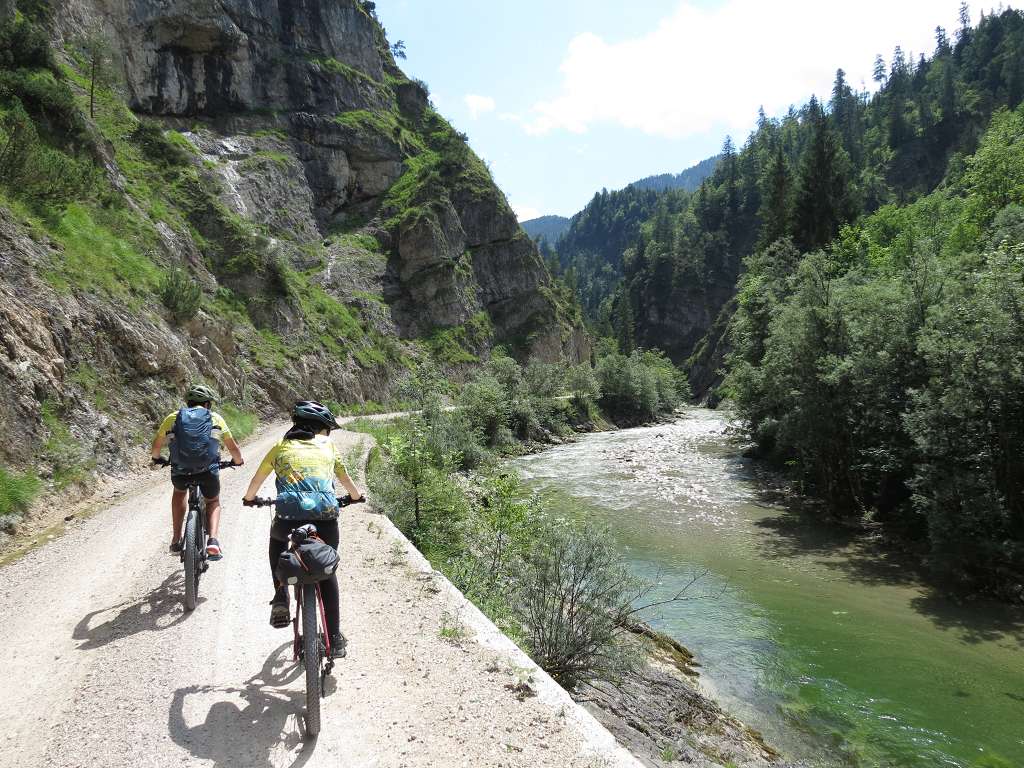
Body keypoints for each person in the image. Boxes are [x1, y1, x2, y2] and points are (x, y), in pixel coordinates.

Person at [242, 400, 364, 659]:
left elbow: (256, 481)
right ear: (321, 429)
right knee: (327, 572)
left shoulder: (280, 446)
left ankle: (280, 596)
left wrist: (250, 498)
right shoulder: (328, 446)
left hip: (288, 518)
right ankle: (334, 639)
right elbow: (345, 480)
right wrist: (355, 496)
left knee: (277, 542)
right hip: (325, 519)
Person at [151, 384, 244, 559]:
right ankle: (214, 541)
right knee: (213, 501)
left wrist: (157, 458)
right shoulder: (215, 418)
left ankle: (176, 539)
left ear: (188, 402)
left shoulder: (173, 417)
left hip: (180, 470)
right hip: (207, 471)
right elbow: (233, 447)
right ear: (208, 404)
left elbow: (156, 445)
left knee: (179, 493)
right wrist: (237, 461)